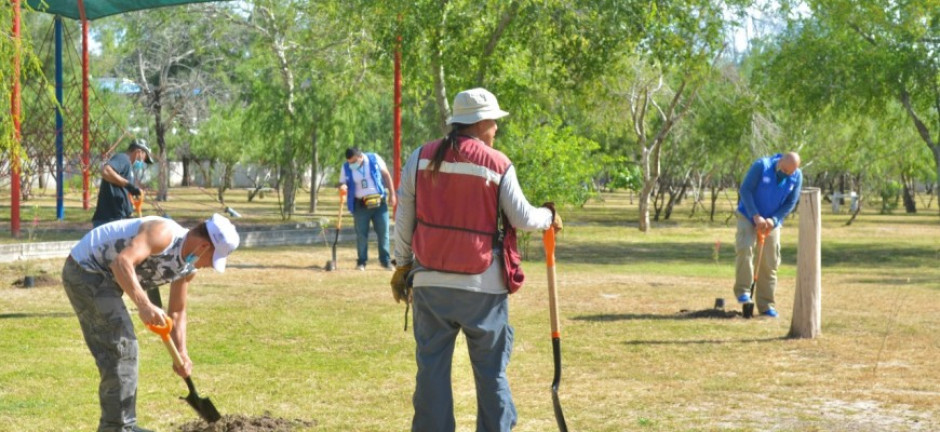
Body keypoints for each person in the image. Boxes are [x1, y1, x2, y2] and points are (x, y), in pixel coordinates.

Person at [390, 87, 563, 431]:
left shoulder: (419, 157)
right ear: (481, 123)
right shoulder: (497, 163)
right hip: (482, 287)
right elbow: (524, 219)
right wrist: (549, 216)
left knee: (431, 373)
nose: (497, 129)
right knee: (490, 374)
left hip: (430, 284)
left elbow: (404, 215)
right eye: (494, 122)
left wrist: (402, 264)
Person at [61, 213, 239, 432]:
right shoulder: (162, 234)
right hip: (86, 270)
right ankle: (118, 427)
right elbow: (121, 262)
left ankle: (118, 426)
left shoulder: (188, 266)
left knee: (120, 347)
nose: (210, 266)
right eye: (212, 259)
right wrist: (144, 305)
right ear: (203, 246)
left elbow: (177, 311)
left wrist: (181, 353)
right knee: (121, 346)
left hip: (108, 279)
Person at [734, 152, 802, 318]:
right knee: (746, 248)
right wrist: (755, 215)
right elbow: (746, 190)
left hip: (771, 222)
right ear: (780, 162)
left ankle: (766, 305)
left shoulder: (797, 176)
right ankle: (743, 291)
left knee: (770, 262)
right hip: (749, 215)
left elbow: (791, 202)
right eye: (785, 170)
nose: (787, 174)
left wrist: (774, 219)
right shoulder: (762, 166)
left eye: (791, 172)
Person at [339, 147, 397, 271]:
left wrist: (392, 194)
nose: (351, 165)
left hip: (379, 204)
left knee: (383, 233)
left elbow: (386, 175)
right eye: (349, 162)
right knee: (361, 235)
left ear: (360, 157)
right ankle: (361, 262)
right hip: (360, 205)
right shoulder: (346, 167)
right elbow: (341, 182)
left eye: (353, 162)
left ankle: (385, 261)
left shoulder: (374, 158)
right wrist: (342, 186)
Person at [92, 139, 154, 228]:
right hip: (108, 221)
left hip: (119, 219)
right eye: (145, 158)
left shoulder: (128, 166)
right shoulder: (123, 158)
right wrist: (128, 185)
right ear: (139, 152)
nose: (143, 161)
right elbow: (106, 171)